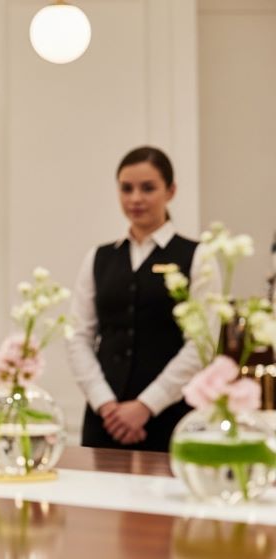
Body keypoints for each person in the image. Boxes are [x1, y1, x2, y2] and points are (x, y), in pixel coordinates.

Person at [67, 146, 218, 451]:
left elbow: (203, 344)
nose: (135, 198)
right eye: (127, 188)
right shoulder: (99, 257)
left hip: (170, 416)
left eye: (147, 188)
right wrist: (106, 405)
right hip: (104, 418)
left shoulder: (199, 256)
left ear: (171, 191)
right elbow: (78, 337)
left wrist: (146, 406)